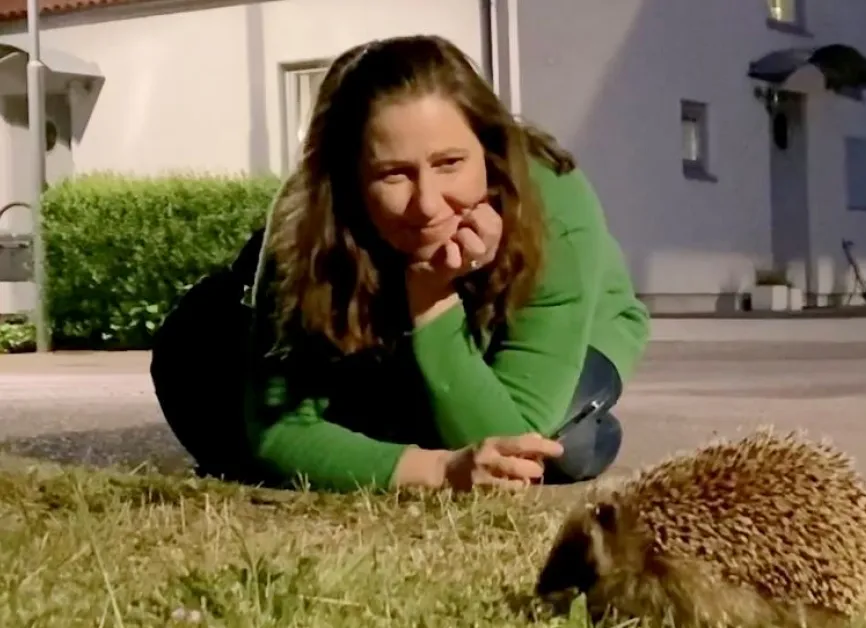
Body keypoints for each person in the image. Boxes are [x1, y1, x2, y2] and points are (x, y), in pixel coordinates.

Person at [152, 33, 650, 493]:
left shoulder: (554, 202)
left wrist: (432, 300)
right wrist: (438, 469)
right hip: (384, 331)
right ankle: (398, 415)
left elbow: (502, 437)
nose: (428, 205)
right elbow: (280, 432)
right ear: (346, 180)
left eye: (450, 163)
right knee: (204, 374)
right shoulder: (305, 219)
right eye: (393, 175)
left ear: (490, 151)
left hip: (575, 333)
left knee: (558, 447)